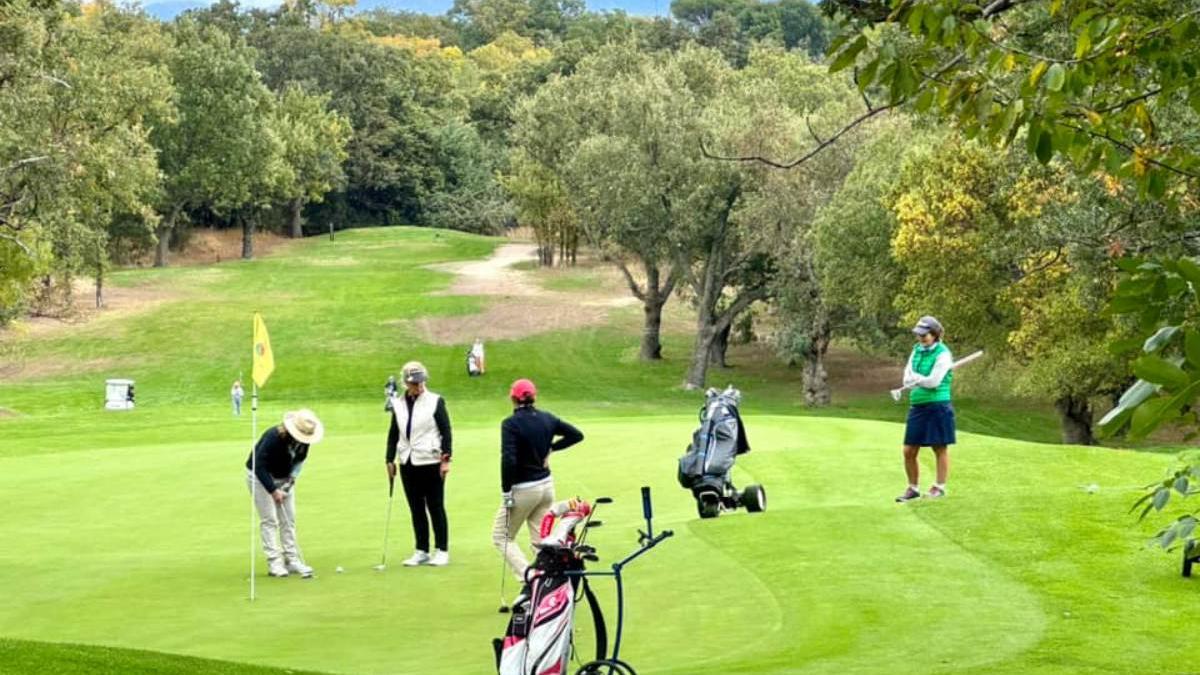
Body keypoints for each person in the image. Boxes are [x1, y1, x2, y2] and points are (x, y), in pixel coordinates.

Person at [493, 378, 584, 580]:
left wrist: (506, 492)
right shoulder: (547, 418)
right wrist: (552, 448)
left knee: (501, 536)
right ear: (534, 396)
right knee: (540, 540)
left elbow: (508, 459)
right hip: (546, 487)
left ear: (513, 398)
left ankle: (530, 576)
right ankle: (549, 581)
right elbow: (576, 435)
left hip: (524, 489)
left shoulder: (510, 424)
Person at [386, 361, 453, 566]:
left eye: (422, 382)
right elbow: (393, 434)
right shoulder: (398, 404)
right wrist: (389, 459)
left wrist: (446, 460)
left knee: (435, 506)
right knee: (416, 508)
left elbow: (446, 430)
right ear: (406, 382)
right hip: (407, 460)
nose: (419, 386)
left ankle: (441, 550)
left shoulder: (435, 401)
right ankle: (421, 549)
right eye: (415, 383)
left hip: (431, 460)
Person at [246, 409, 324, 577]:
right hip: (259, 477)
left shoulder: (304, 441)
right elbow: (258, 465)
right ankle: (274, 563)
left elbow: (299, 462)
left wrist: (287, 486)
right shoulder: (273, 438)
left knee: (289, 519)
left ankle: (292, 560)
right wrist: (273, 491)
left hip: (283, 477)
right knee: (270, 520)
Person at [895, 316, 956, 502]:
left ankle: (939, 486)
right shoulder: (916, 351)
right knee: (908, 451)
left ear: (935, 334)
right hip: (918, 405)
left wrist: (918, 379)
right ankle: (913, 489)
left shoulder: (943, 354)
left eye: (925, 334)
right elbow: (907, 377)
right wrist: (917, 380)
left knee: (939, 447)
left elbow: (934, 381)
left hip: (938, 404)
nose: (921, 338)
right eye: (919, 334)